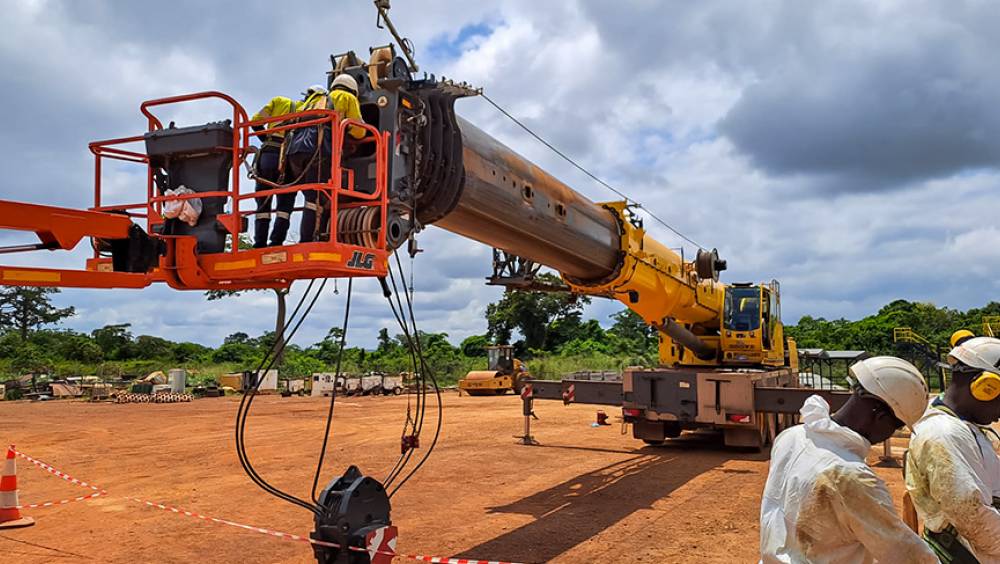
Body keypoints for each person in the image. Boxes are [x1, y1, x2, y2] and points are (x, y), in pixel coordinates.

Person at [760, 356, 937, 563]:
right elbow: (905, 554)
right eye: (896, 427)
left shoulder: (792, 436)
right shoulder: (852, 477)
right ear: (880, 418)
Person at [905, 336, 1000, 562]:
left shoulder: (965, 426)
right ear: (985, 387)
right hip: (970, 554)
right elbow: (972, 518)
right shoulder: (943, 433)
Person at [286, 74, 366, 243]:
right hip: (318, 153)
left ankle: (313, 237)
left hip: (294, 152)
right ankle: (309, 240)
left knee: (310, 195)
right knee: (317, 198)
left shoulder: (315, 99)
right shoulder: (347, 97)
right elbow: (360, 130)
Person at [249, 95, 299, 248]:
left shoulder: (277, 102)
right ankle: (276, 242)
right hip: (289, 157)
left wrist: (266, 139)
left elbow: (256, 121)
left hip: (269, 154)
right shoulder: (304, 107)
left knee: (263, 202)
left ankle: (260, 243)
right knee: (285, 205)